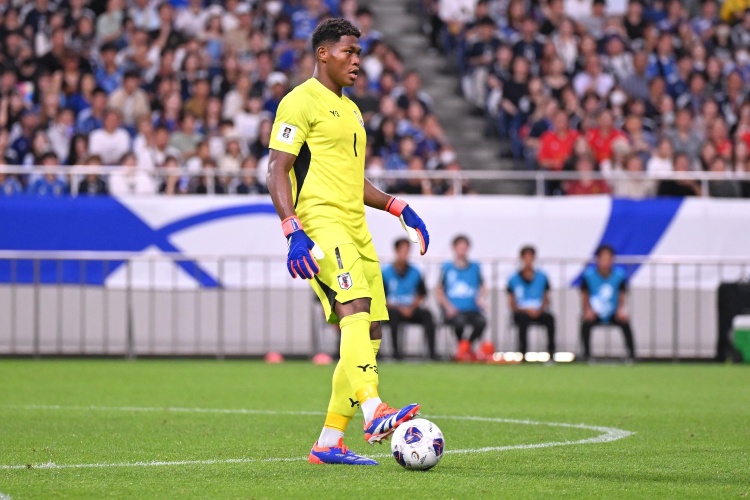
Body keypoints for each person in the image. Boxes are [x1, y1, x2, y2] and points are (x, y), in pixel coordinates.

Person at [266, 18, 430, 466]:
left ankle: (329, 442)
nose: (357, 60)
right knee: (352, 306)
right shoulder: (299, 101)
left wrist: (397, 206)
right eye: (349, 51)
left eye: (359, 53)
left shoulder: (353, 111)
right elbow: (277, 168)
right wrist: (292, 229)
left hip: (357, 228)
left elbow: (352, 179)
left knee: (371, 329)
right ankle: (374, 410)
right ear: (323, 53)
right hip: (320, 225)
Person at [382, 238, 437, 361]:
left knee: (427, 315)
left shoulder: (415, 272)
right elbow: (381, 297)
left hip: (411, 308)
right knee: (392, 316)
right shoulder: (385, 272)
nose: (405, 254)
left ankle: (432, 355)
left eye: (407, 251)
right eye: (402, 250)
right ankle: (396, 354)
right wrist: (400, 308)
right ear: (396, 251)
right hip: (393, 309)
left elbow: (422, 293)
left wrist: (412, 307)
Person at [580, 245, 636, 362]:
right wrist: (587, 310)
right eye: (603, 258)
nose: (605, 261)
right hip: (595, 311)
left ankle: (631, 355)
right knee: (585, 322)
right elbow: (584, 295)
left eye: (608, 258)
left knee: (625, 321)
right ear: (597, 259)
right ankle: (586, 355)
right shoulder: (588, 275)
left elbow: (622, 294)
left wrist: (620, 310)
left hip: (612, 311)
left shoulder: (619, 275)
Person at [436, 235, 487, 362]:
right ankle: (461, 348)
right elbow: (439, 289)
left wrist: (480, 298)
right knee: (459, 322)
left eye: (465, 247)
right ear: (454, 248)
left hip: (471, 308)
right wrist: (447, 307)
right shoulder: (447, 267)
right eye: (460, 247)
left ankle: (466, 346)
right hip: (454, 309)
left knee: (481, 322)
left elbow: (483, 286)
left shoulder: (475, 267)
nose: (462, 250)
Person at [507, 246, 555, 358]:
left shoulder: (542, 277)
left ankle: (551, 352)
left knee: (550, 318)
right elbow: (512, 302)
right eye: (526, 257)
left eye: (530, 256)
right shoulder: (513, 278)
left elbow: (546, 298)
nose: (528, 260)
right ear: (521, 258)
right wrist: (525, 310)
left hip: (538, 310)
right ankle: (523, 353)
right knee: (522, 319)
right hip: (522, 311)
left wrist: (540, 310)